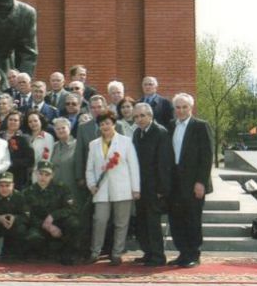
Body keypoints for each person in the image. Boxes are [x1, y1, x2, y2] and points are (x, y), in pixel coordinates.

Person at [86, 111, 140, 266]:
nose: (105, 126)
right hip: (100, 189)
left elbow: (133, 166)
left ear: (114, 124)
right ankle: (95, 251)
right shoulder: (94, 144)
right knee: (99, 220)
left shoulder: (125, 142)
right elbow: (89, 168)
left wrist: (135, 188)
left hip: (122, 188)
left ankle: (116, 253)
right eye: (102, 124)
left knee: (121, 223)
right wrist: (91, 184)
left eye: (108, 123)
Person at [167, 93, 213, 268]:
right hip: (174, 182)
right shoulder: (170, 126)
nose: (181, 110)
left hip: (194, 183)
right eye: (178, 107)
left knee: (192, 219)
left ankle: (194, 254)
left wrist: (201, 182)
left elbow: (207, 156)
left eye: (184, 107)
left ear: (191, 108)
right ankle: (183, 253)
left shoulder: (200, 126)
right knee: (176, 220)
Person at [132, 103, 172, 267]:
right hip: (140, 186)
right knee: (142, 222)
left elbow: (164, 162)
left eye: (142, 116)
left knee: (153, 223)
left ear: (150, 116)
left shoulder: (160, 132)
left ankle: (158, 256)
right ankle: (147, 252)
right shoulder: (137, 133)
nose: (139, 119)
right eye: (136, 117)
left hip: (154, 187)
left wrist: (162, 188)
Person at [23, 161, 80, 265]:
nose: (43, 177)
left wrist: (53, 216)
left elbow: (72, 208)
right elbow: (28, 216)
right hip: (40, 226)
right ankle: (44, 253)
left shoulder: (62, 188)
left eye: (47, 174)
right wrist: (46, 226)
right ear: (36, 173)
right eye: (41, 174)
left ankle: (67, 254)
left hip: (59, 224)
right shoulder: (28, 192)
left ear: (52, 175)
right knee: (33, 237)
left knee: (74, 223)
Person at [2, 111, 34, 190]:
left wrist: (11, 162)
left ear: (20, 123)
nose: (12, 122)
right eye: (10, 119)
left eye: (15, 120)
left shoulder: (25, 138)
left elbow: (30, 160)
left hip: (17, 177)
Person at [50, 118, 79, 199]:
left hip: (73, 190)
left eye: (63, 128)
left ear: (69, 128)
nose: (60, 130)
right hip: (56, 190)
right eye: (58, 129)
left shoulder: (77, 145)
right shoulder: (54, 146)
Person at [27, 111, 55, 184]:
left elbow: (47, 158)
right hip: (26, 176)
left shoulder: (47, 137)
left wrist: (36, 170)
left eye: (35, 121)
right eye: (30, 122)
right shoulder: (26, 137)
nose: (33, 123)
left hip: (41, 175)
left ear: (41, 121)